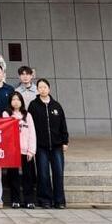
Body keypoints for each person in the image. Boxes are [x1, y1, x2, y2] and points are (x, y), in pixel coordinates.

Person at [29, 78, 69, 210]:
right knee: (43, 173)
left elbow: (63, 124)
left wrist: (65, 141)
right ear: (37, 89)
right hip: (41, 146)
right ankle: (45, 200)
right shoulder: (33, 105)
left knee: (58, 173)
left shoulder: (56, 105)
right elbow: (31, 126)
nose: (42, 89)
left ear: (49, 89)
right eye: (40, 87)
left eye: (45, 87)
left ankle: (59, 200)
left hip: (57, 145)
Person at [3, 92, 37, 209]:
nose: (16, 102)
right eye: (13, 99)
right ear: (10, 102)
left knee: (28, 176)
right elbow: (5, 133)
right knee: (14, 177)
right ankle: (15, 200)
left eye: (18, 99)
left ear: (21, 101)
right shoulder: (6, 114)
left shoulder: (27, 115)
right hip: (12, 151)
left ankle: (29, 200)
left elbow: (32, 133)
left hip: (25, 151)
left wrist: (31, 151)